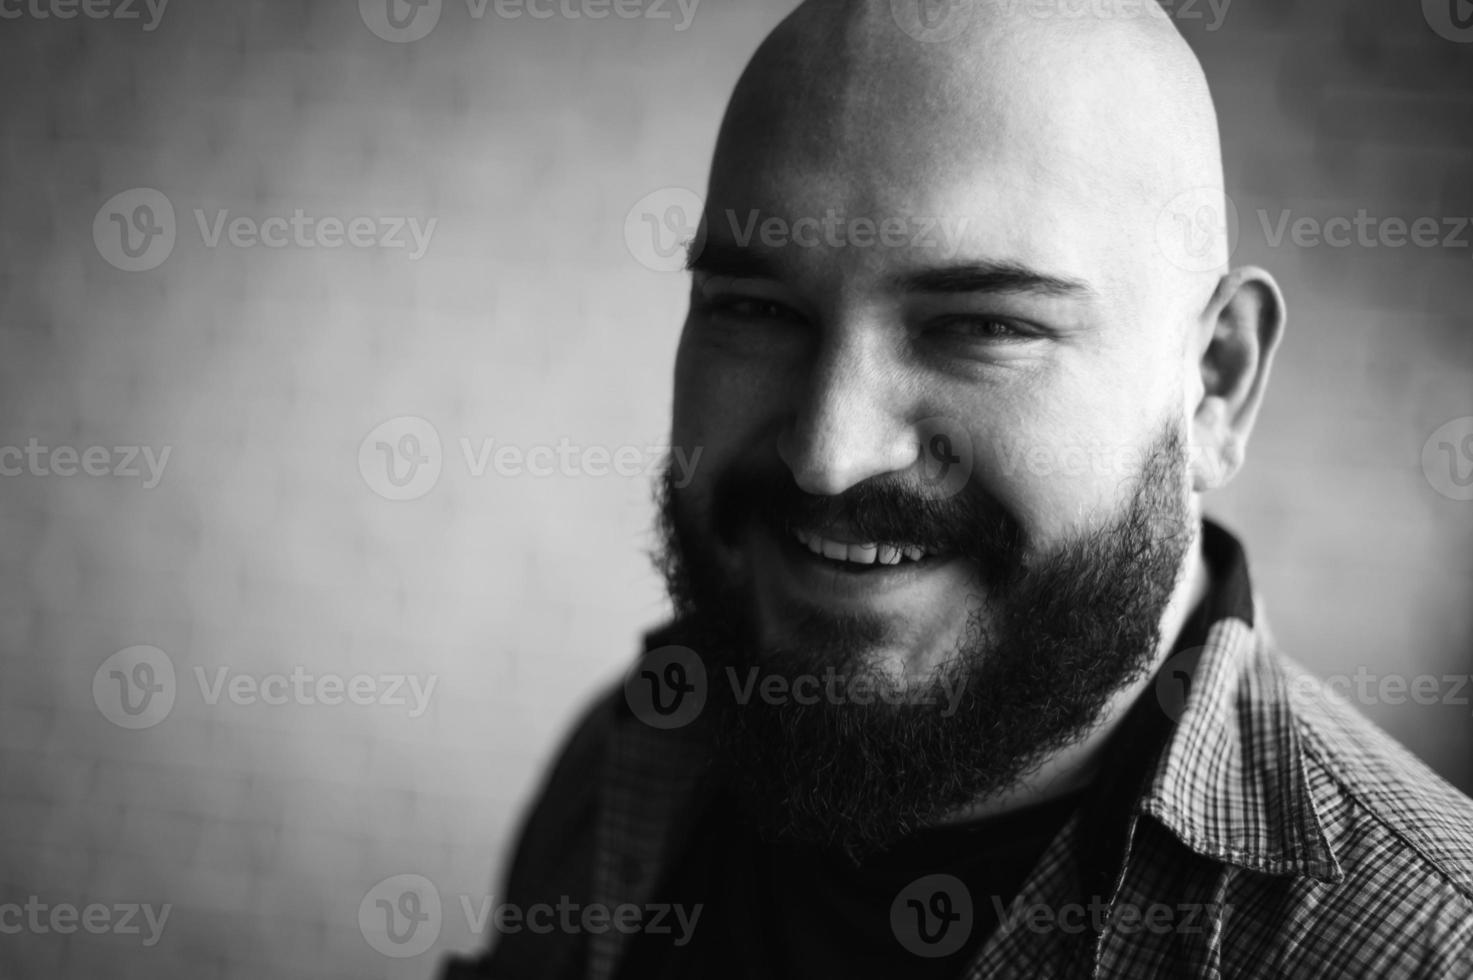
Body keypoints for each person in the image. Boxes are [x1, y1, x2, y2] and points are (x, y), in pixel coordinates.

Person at [443, 1, 1473, 976]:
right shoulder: (637, 752)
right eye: (756, 308)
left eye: (982, 324)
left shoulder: (1426, 945)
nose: (828, 454)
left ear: (1215, 384)